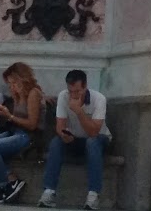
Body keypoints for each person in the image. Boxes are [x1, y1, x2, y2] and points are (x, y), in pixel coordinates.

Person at [37, 69, 111, 210]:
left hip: (99, 140)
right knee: (56, 142)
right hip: (75, 140)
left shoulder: (99, 99)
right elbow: (60, 126)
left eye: (77, 91)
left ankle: (93, 195)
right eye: (71, 91)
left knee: (92, 142)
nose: (74, 95)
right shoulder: (63, 96)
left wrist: (79, 112)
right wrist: (64, 136)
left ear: (85, 86)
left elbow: (94, 132)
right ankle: (49, 192)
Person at [0, 62, 43, 204]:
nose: (11, 86)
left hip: (28, 136)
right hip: (15, 131)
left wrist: (10, 116)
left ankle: (3, 186)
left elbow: (32, 124)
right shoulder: (17, 94)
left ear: (22, 79)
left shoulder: (33, 93)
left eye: (14, 82)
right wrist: (6, 114)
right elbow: (16, 119)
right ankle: (11, 178)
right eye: (9, 83)